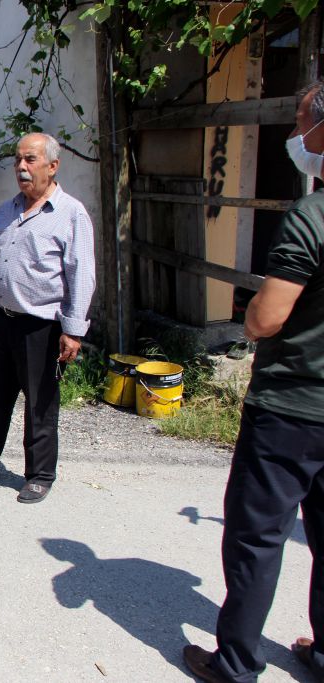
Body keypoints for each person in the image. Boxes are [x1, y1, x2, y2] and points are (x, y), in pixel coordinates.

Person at [183, 80, 324, 683]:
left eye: (300, 123)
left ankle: (236, 663)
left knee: (256, 537)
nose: (294, 137)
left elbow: (267, 318)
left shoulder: (311, 218)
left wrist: (250, 314)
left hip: (292, 409)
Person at [0, 132, 95, 504]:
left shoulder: (70, 214)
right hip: (4, 320)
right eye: (17, 161)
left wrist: (73, 331)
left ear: (53, 166)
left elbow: (82, 273)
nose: (22, 168)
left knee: (40, 402)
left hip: (42, 325)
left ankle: (40, 474)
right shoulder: (10, 209)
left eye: (30, 160)